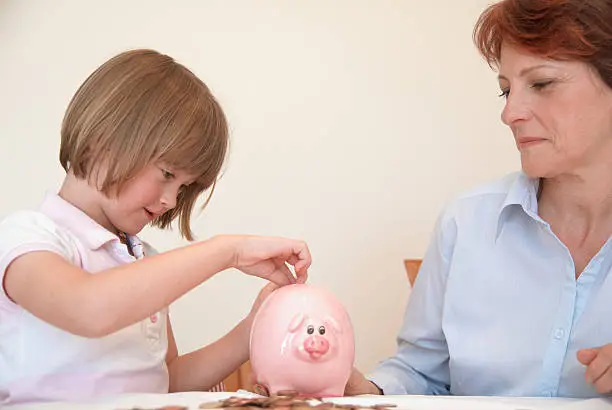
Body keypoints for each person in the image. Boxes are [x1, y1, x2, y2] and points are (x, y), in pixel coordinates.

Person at [0, 49, 311, 405]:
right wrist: (228, 250)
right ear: (103, 139)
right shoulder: (27, 237)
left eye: (183, 188)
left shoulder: (142, 259)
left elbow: (167, 382)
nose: (171, 201)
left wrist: (253, 328)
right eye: (167, 174)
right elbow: (87, 308)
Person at [345, 0, 612, 398]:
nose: (510, 113)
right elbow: (422, 374)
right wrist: (367, 393)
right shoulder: (466, 221)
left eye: (541, 83)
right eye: (506, 90)